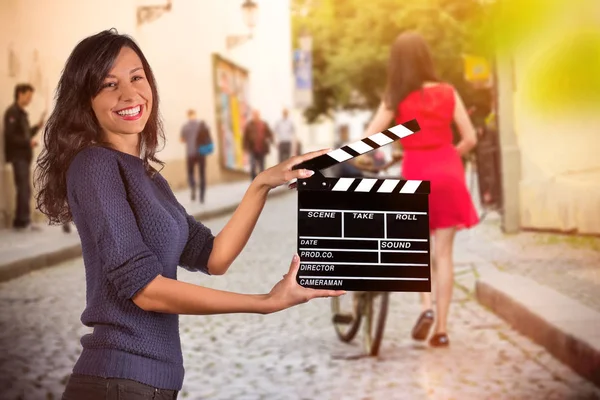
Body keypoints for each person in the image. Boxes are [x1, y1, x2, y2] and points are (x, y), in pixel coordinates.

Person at [33, 29, 343, 399]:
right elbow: (145, 290)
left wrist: (261, 184)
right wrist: (264, 302)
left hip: (154, 385)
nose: (129, 94)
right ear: (86, 100)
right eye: (108, 84)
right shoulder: (94, 166)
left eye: (137, 78)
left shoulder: (150, 178)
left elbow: (214, 257)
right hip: (116, 381)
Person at [365, 31, 478, 347]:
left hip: (415, 173)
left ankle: (425, 308)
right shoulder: (448, 92)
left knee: (418, 250)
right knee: (444, 254)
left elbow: (370, 137)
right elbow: (470, 138)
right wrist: (448, 157)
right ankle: (441, 330)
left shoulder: (397, 97)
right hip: (448, 172)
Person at [3, 83, 46, 231]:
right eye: (28, 97)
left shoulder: (22, 114)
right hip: (18, 157)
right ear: (20, 94)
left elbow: (25, 134)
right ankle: (22, 221)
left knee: (25, 189)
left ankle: (22, 221)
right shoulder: (12, 113)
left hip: (24, 157)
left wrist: (37, 127)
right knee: (24, 189)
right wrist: (28, 142)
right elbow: (11, 136)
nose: (29, 100)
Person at [180, 109, 209, 203]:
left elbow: (182, 140)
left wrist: (189, 139)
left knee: (191, 173)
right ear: (195, 115)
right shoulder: (201, 125)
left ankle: (193, 190)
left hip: (190, 153)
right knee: (202, 174)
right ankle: (202, 197)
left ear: (188, 116)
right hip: (201, 153)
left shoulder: (185, 127)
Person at [243, 109, 273, 180]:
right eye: (254, 115)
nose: (255, 116)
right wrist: (245, 147)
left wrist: (271, 141)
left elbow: (269, 134)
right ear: (252, 116)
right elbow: (245, 137)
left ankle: (261, 181)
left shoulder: (263, 124)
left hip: (262, 148)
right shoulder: (249, 125)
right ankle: (254, 181)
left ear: (259, 115)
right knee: (253, 166)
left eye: (257, 115)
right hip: (252, 148)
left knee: (261, 167)